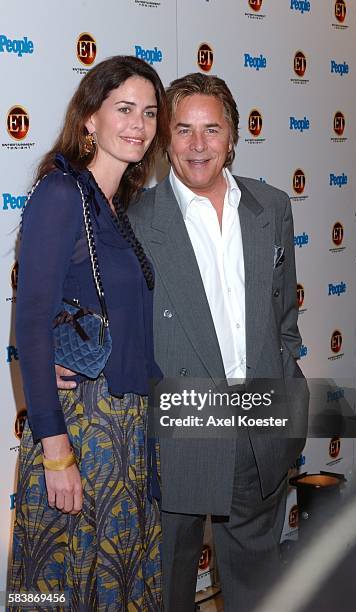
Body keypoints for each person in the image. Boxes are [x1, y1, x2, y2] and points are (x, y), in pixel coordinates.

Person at [130, 73, 309, 612]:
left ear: (233, 135)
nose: (198, 145)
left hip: (259, 424)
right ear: (165, 139)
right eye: (183, 130)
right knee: (170, 590)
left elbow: (285, 315)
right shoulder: (137, 220)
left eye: (212, 129)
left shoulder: (272, 208)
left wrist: (287, 396)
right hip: (180, 431)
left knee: (257, 586)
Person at [8, 55, 169, 611]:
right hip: (81, 431)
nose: (138, 125)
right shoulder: (61, 194)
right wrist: (56, 451)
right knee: (67, 587)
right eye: (123, 109)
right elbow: (30, 323)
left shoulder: (113, 204)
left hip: (125, 431)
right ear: (89, 120)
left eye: (149, 113)